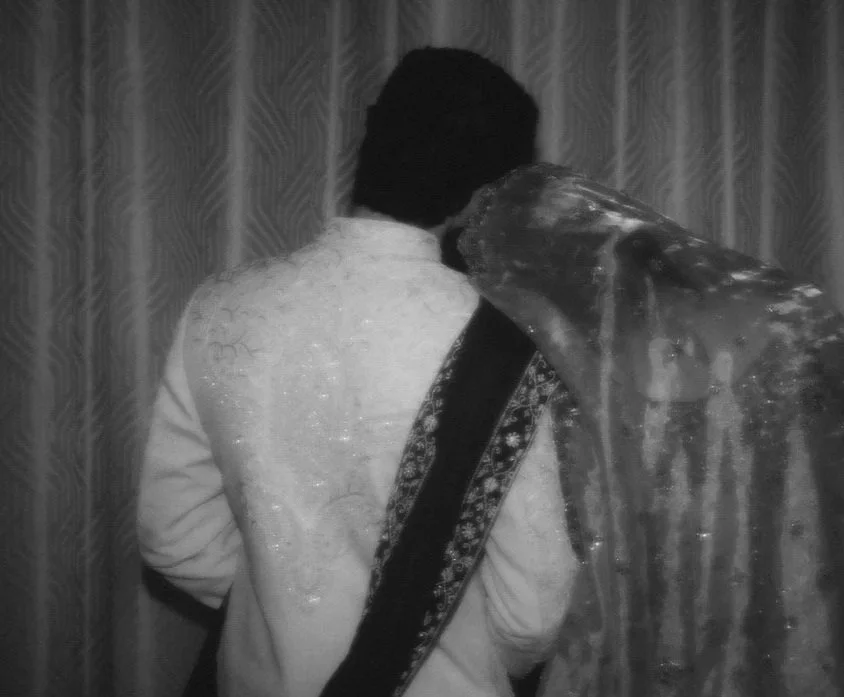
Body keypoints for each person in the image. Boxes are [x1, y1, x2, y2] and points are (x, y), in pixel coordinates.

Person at [137, 47, 579, 697]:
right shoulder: (508, 342)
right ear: (486, 192)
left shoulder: (218, 305)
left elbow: (172, 539)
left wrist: (290, 617)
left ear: (369, 142)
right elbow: (533, 612)